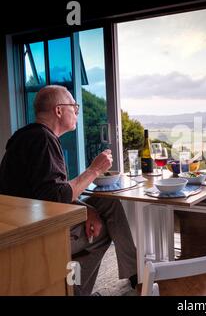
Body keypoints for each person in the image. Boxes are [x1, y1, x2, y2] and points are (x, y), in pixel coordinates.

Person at [0, 85, 137, 296]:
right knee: (102, 230)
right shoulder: (43, 140)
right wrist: (94, 170)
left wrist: (87, 209)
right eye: (74, 107)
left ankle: (133, 274)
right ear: (58, 110)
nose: (77, 112)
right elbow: (55, 197)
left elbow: (46, 192)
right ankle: (76, 291)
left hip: (29, 218)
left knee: (107, 204)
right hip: (35, 234)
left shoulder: (27, 136)